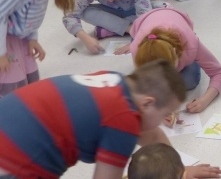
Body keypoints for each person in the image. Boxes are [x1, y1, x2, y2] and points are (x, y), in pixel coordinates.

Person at [0, 59, 186, 179]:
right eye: (164, 115)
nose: (163, 121)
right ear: (147, 104)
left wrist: (177, 170)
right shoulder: (124, 122)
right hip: (14, 163)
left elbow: (151, 136)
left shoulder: (115, 80)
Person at [117, 6, 221, 114]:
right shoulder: (137, 49)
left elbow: (219, 73)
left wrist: (204, 101)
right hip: (143, 24)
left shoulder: (190, 44)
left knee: (189, 81)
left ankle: (192, 60)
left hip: (177, 21)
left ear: (175, 53)